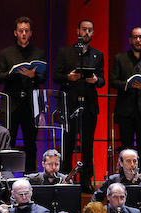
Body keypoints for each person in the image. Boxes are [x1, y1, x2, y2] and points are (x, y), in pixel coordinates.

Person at [54, 19, 105, 193]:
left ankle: (85, 180)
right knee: (67, 144)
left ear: (93, 32)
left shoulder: (98, 54)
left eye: (90, 30)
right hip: (69, 105)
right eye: (84, 29)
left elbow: (102, 79)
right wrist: (68, 77)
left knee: (87, 145)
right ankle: (65, 178)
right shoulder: (65, 52)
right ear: (78, 31)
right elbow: (56, 76)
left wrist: (96, 80)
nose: (87, 33)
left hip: (89, 105)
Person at [0, 16, 47, 174]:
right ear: (15, 33)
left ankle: (31, 176)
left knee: (31, 144)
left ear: (31, 33)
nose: (24, 33)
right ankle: (7, 178)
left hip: (31, 104)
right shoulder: (6, 53)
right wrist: (14, 72)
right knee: (8, 142)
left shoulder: (38, 52)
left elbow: (43, 78)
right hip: (11, 104)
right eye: (21, 31)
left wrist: (33, 76)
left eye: (26, 31)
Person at [110, 27, 141, 166]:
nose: (138, 40)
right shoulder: (120, 58)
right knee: (126, 147)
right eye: (135, 37)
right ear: (130, 40)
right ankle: (125, 176)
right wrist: (127, 84)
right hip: (125, 109)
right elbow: (113, 81)